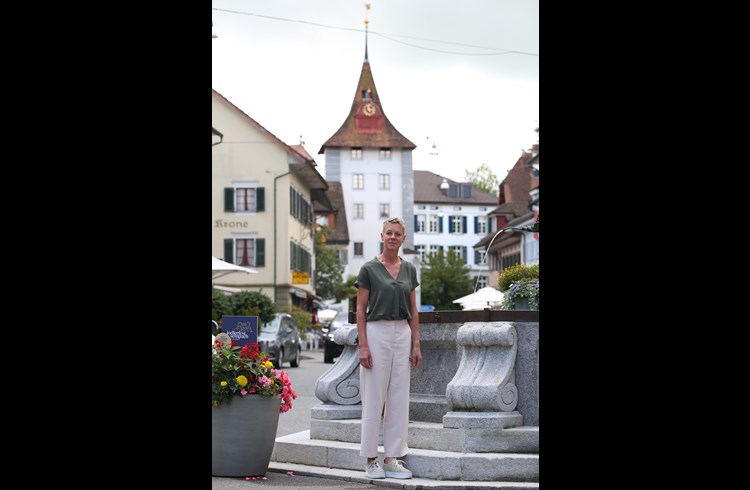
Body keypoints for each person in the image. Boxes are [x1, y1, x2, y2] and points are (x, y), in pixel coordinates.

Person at [355, 216, 422, 480]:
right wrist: (363, 345)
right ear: (381, 236)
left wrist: (416, 343)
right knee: (374, 396)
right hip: (377, 331)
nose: (393, 237)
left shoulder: (409, 270)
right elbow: (360, 309)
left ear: (404, 239)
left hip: (402, 333)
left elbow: (413, 310)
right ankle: (371, 459)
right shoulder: (369, 269)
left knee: (398, 397)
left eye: (397, 234)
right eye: (389, 233)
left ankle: (393, 457)